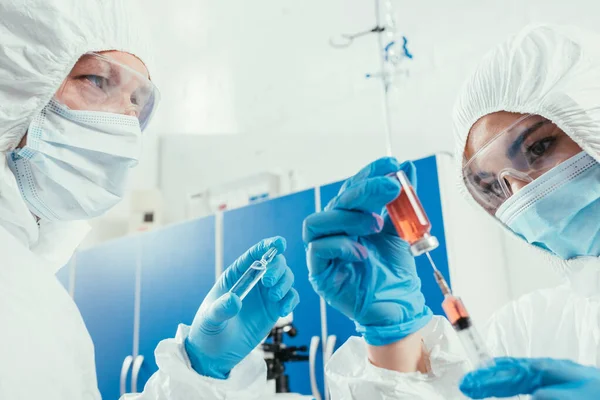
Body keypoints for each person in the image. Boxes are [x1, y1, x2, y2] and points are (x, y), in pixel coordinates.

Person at [0, 0, 299, 398]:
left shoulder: (29, 280)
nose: (126, 118)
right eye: (96, 79)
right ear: (14, 86)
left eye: (137, 101)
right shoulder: (16, 287)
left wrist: (197, 372)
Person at [303, 24, 600, 399]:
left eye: (539, 148)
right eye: (495, 185)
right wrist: (397, 341)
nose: (523, 194)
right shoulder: (532, 329)